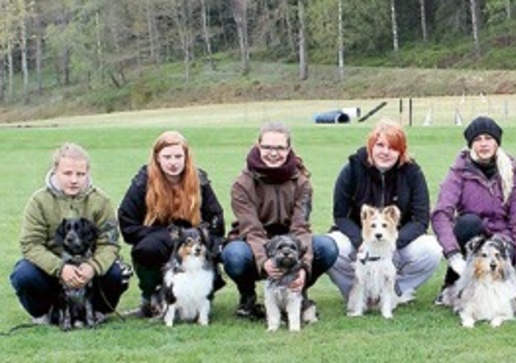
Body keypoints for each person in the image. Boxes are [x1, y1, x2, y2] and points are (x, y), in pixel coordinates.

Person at [222, 121, 339, 319]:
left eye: (280, 148)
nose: (273, 153)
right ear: (258, 146)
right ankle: (248, 297)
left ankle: (297, 291)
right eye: (267, 147)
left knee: (327, 247)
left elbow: (300, 228)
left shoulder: (302, 183)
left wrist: (303, 268)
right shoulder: (242, 184)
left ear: (289, 149)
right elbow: (252, 230)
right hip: (253, 243)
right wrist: (265, 261)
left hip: (291, 243)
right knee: (233, 255)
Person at [9, 143, 129, 325]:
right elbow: (31, 244)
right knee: (23, 274)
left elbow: (110, 243)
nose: (74, 180)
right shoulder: (39, 201)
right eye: (67, 173)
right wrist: (60, 268)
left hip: (89, 270)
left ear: (87, 173)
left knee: (118, 273)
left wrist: (92, 267)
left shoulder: (101, 201)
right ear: (55, 171)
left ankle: (99, 310)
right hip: (52, 270)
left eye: (80, 174)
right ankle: (43, 313)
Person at [325, 120, 442, 304]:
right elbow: (340, 216)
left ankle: (394, 291)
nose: (385, 152)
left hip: (397, 244)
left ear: (401, 151)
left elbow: (420, 220)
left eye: (393, 147)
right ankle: (357, 293)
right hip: (360, 243)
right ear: (371, 146)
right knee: (331, 247)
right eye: (380, 145)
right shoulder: (351, 169)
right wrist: (361, 242)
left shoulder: (413, 173)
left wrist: (394, 241)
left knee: (432, 249)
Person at [118, 131, 226, 317]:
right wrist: (163, 237)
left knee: (201, 248)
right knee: (146, 249)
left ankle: (200, 297)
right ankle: (150, 298)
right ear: (157, 158)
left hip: (193, 242)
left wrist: (200, 240)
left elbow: (216, 220)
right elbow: (127, 222)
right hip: (156, 240)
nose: (173, 162)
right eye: (167, 157)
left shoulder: (200, 181)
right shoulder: (142, 183)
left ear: (186, 157)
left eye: (178, 156)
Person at [431, 116, 516, 301]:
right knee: (467, 223)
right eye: (477, 139)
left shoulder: (511, 171)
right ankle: (452, 285)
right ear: (470, 144)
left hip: (503, 236)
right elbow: (441, 214)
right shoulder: (459, 171)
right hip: (472, 234)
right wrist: (453, 255)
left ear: (497, 142)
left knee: (500, 269)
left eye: (488, 138)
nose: (483, 144)